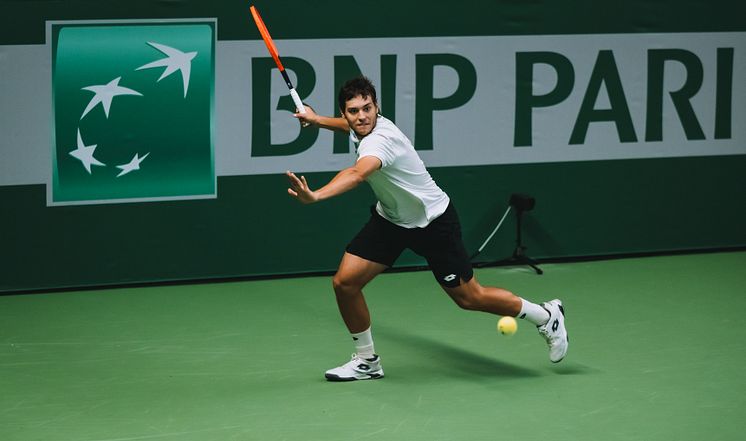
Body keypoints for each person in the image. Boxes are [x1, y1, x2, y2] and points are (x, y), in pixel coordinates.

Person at [286, 76, 568, 381]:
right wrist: (316, 120)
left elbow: (357, 173)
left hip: (433, 223)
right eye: (354, 111)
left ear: (377, 107)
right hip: (392, 220)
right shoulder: (361, 126)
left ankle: (546, 315)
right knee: (345, 283)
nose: (362, 116)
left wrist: (316, 195)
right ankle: (367, 361)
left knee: (470, 298)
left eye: (367, 108)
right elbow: (348, 127)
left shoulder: (381, 140)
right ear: (346, 114)